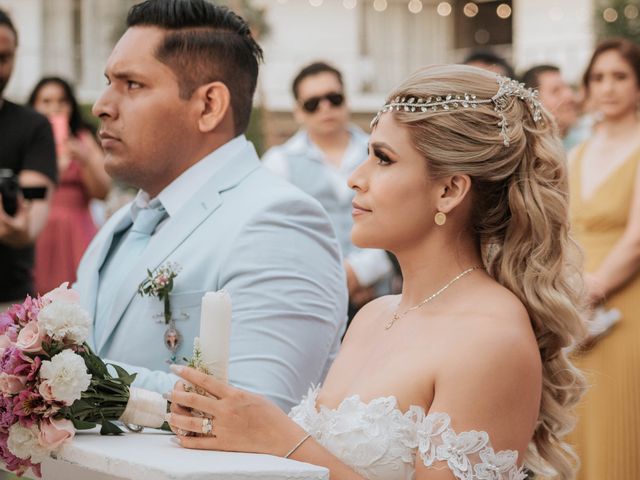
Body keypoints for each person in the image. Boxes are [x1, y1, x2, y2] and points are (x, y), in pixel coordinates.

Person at [167, 65, 586, 480]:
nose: (354, 179)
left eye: (383, 159)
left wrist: (281, 439)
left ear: (449, 190)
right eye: (366, 154)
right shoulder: (372, 317)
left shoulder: (491, 337)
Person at [74, 0, 347, 412]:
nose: (102, 106)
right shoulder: (122, 224)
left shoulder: (279, 222)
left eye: (132, 84)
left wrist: (63, 377)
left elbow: (258, 412)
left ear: (208, 106)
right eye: (108, 81)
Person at [262, 62, 393, 314]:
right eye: (312, 103)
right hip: (311, 299)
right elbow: (277, 236)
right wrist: (336, 279)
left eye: (334, 98)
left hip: (380, 297)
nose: (325, 108)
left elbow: (400, 217)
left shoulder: (382, 152)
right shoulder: (278, 162)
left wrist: (361, 273)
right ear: (298, 111)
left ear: (347, 101)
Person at [568, 37, 640, 480]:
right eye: (598, 77)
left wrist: (590, 291)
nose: (608, 87)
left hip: (625, 306)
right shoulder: (574, 152)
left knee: (620, 422)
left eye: (620, 76)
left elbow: (637, 240)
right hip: (573, 310)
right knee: (574, 426)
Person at [28, 77, 111, 294]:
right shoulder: (28, 143)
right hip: (39, 230)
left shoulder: (83, 139)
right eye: (46, 101)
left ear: (71, 105)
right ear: (34, 105)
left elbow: (102, 192)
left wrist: (84, 159)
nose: (54, 107)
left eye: (61, 101)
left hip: (77, 231)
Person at [0, 9, 56, 309]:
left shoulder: (33, 127)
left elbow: (31, 222)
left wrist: (17, 228)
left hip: (8, 303)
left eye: (3, 58)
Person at [521, 65, 584, 150]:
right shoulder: (527, 153)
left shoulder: (587, 141)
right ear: (532, 103)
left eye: (567, 87)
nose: (569, 95)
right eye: (556, 91)